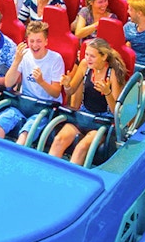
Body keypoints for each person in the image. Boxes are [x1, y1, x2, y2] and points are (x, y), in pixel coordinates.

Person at [0, 21, 65, 142]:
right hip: (24, 103)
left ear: (46, 41)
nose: (35, 45)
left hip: (45, 108)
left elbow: (56, 93)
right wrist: (16, 61)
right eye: (32, 41)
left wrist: (41, 82)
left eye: (39, 41)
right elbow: (9, 83)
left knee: (24, 135)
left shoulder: (55, 59)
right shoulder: (24, 55)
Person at [50, 38, 128, 166]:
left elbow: (116, 111)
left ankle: (71, 180)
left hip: (102, 121)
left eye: (92, 56)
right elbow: (70, 91)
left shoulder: (112, 73)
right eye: (86, 54)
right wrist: (66, 85)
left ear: (104, 57)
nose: (88, 58)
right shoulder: (84, 65)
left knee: (81, 147)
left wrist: (107, 92)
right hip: (84, 114)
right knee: (59, 139)